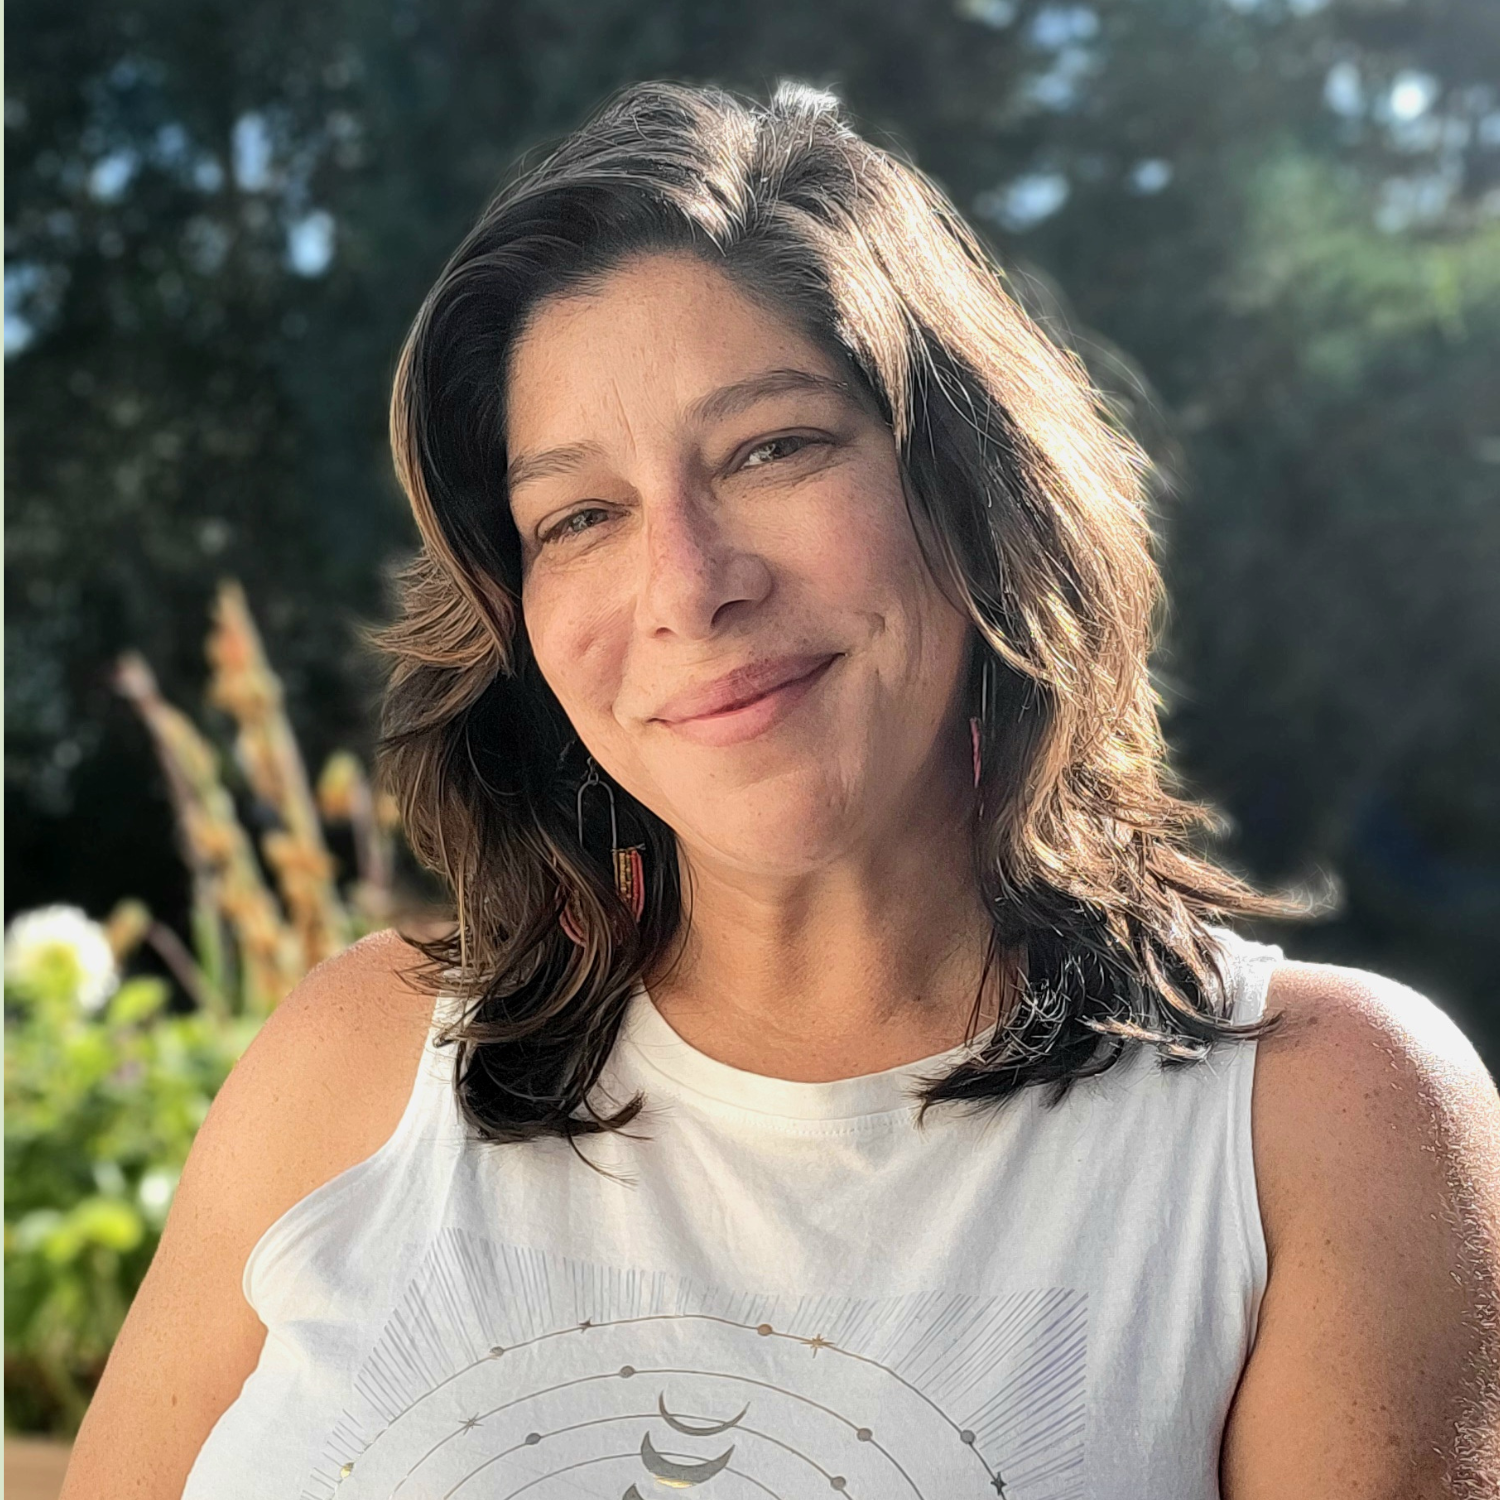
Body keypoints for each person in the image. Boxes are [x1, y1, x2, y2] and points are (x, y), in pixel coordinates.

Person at [63, 80, 1500, 1500]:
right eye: (580, 516)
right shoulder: (355, 1064)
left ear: (970, 486)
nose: (688, 585)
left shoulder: (1318, 1124)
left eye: (772, 448)